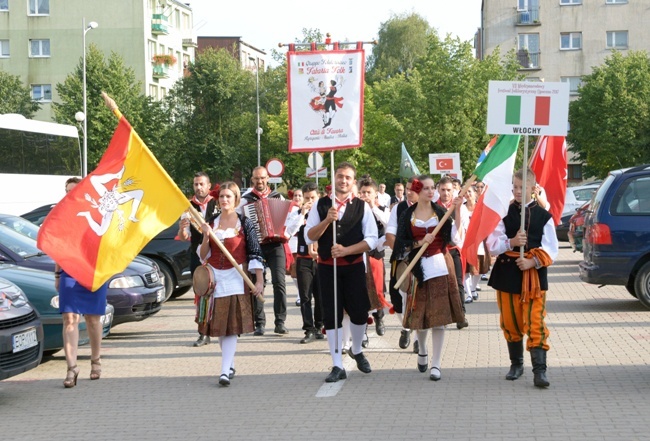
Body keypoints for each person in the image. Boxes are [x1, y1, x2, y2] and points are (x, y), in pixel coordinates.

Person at [305, 162, 378, 383]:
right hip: (328, 268)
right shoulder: (320, 205)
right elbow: (309, 236)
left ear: (353, 182)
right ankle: (337, 364)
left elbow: (372, 240)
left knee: (358, 312)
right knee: (332, 315)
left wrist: (347, 250)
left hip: (354, 267)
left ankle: (356, 349)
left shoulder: (362, 207)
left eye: (347, 177)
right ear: (334, 179)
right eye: (340, 176)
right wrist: (327, 220)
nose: (343, 181)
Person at [486, 168, 558, 388]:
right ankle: (516, 364)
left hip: (534, 278)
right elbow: (492, 245)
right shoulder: (503, 214)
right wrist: (512, 243)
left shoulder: (544, 216)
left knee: (535, 321)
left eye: (522, 187)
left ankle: (540, 371)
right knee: (510, 321)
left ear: (533, 188)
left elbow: (551, 249)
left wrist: (532, 262)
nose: (518, 191)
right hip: (507, 273)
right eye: (515, 187)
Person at [393, 176, 465, 381]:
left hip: (440, 267)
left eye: (433, 188)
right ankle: (422, 349)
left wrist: (458, 210)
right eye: (426, 188)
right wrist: (418, 243)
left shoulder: (442, 212)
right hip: (417, 270)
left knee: (439, 319)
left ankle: (437, 363)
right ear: (417, 191)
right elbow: (400, 245)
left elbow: (455, 238)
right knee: (420, 318)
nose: (431, 191)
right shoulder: (407, 215)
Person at [197, 182, 265, 386]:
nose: (224, 200)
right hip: (214, 277)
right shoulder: (211, 221)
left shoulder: (245, 223)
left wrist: (259, 280)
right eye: (222, 197)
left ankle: (224, 370)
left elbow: (255, 252)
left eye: (228, 196)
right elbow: (202, 255)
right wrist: (206, 235)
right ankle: (230, 363)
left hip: (237, 276)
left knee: (231, 326)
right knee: (219, 323)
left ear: (235, 199)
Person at [57, 177, 107, 388]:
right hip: (69, 271)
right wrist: (57, 275)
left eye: (75, 190)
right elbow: (56, 247)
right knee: (69, 318)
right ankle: (72, 368)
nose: (71, 194)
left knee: (93, 320)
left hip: (93, 270)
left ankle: (95, 361)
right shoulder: (60, 216)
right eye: (68, 190)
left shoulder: (98, 213)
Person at [240, 166, 290, 336]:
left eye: (262, 178)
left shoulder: (278, 197)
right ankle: (259, 323)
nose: (259, 181)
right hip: (256, 246)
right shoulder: (245, 200)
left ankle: (280, 322)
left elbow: (287, 220)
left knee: (280, 282)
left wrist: (285, 231)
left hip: (276, 244)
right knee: (257, 284)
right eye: (256, 179)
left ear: (267, 178)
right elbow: (241, 224)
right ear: (252, 179)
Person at [179, 172, 220, 347]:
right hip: (198, 256)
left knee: (221, 293)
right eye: (196, 184)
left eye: (202, 184)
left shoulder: (218, 202)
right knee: (200, 295)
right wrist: (182, 230)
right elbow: (184, 236)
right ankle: (203, 332)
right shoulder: (187, 207)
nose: (198, 187)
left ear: (209, 186)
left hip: (219, 255)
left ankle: (223, 329)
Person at [385, 176, 421, 352]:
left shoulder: (428, 208)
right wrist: (399, 249)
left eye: (412, 190)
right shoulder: (398, 208)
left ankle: (415, 336)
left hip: (422, 259)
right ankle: (406, 325)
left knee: (418, 298)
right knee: (396, 296)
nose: (409, 192)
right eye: (407, 189)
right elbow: (390, 233)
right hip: (400, 258)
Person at [358, 178, 391, 337]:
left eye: (368, 192)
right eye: (363, 192)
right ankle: (362, 327)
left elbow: (387, 224)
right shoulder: (356, 209)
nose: (365, 195)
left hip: (375, 254)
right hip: (359, 253)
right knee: (361, 290)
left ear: (375, 194)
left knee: (378, 289)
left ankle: (379, 317)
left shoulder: (382, 209)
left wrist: (372, 207)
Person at [436, 176, 469, 329]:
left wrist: (456, 210)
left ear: (453, 190)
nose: (446, 193)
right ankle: (441, 315)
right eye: (443, 190)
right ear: (438, 190)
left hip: (453, 249)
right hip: (437, 250)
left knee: (458, 282)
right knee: (440, 284)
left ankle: (461, 315)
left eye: (449, 190)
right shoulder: (432, 206)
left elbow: (459, 234)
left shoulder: (460, 207)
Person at [294, 182, 324, 343]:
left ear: (318, 197)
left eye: (312, 197)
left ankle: (319, 326)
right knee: (305, 296)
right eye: (306, 198)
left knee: (320, 295)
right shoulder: (298, 214)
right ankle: (308, 329)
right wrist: (302, 214)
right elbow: (290, 231)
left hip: (320, 259)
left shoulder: (322, 213)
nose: (310, 201)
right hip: (303, 259)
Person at [462, 185, 490, 302]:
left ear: (475, 193)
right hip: (465, 240)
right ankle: (468, 294)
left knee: (478, 268)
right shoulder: (461, 208)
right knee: (466, 269)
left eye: (470, 191)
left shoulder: (481, 207)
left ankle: (473, 288)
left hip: (479, 241)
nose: (467, 194)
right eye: (465, 192)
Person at [287, 188, 304, 307]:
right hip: (292, 242)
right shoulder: (292, 212)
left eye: (300, 196)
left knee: (301, 270)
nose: (297, 198)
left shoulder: (309, 210)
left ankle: (302, 294)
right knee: (293, 271)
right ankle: (300, 291)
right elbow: (289, 227)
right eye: (295, 196)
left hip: (304, 243)